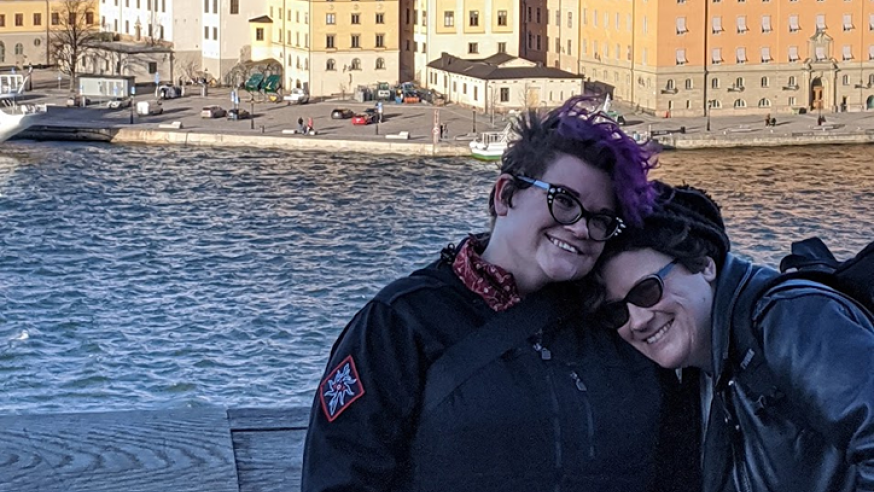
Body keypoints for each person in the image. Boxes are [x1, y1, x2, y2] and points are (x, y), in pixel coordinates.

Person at [301, 96, 700, 492]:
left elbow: (677, 464)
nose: (580, 228)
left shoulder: (620, 320)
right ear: (505, 195)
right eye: (564, 202)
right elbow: (339, 474)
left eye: (600, 219)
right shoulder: (401, 323)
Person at [596, 181, 874, 492]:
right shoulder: (696, 371)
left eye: (647, 291)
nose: (637, 320)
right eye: (616, 312)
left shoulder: (788, 320)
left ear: (703, 265)